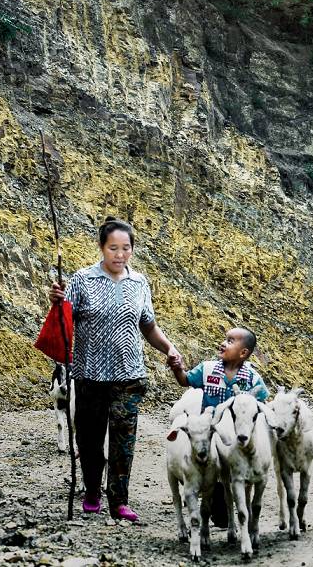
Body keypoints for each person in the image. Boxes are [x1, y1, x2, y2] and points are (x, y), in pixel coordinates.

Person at [49, 217, 183, 522]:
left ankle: (119, 500)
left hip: (128, 375)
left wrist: (169, 347)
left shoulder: (139, 283)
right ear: (101, 247)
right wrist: (56, 302)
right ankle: (93, 491)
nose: (119, 254)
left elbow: (148, 325)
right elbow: (63, 322)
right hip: (89, 375)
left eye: (126, 248)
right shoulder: (82, 280)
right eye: (113, 248)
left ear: (132, 250)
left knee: (124, 441)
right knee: (89, 439)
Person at [166, 326, 268, 525]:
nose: (223, 343)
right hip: (211, 433)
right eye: (225, 339)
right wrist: (177, 368)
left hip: (236, 437)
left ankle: (238, 510)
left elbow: (261, 403)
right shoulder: (207, 369)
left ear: (244, 353)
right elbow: (185, 380)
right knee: (212, 471)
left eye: (230, 341)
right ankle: (211, 496)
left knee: (234, 475)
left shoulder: (252, 379)